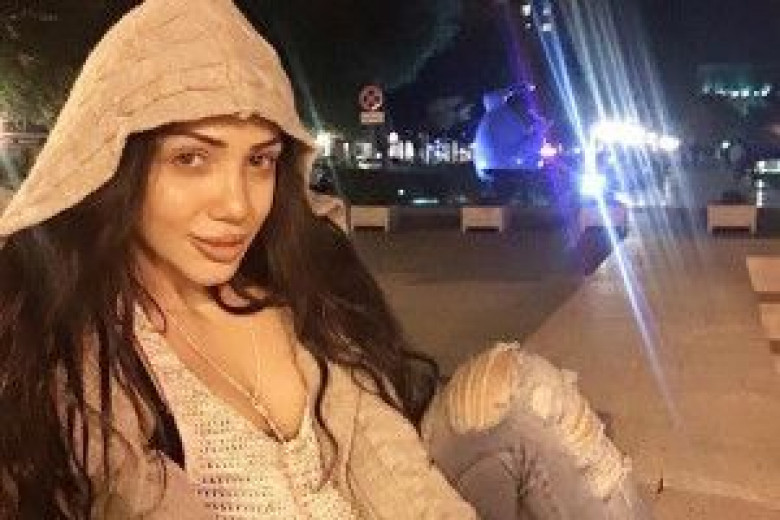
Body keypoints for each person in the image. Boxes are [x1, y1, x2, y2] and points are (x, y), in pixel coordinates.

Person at [0, 0, 650, 518]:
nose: (237, 205)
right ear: (117, 168)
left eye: (259, 160)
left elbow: (396, 477)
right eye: (191, 158)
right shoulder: (82, 360)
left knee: (524, 393)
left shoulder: (299, 295)